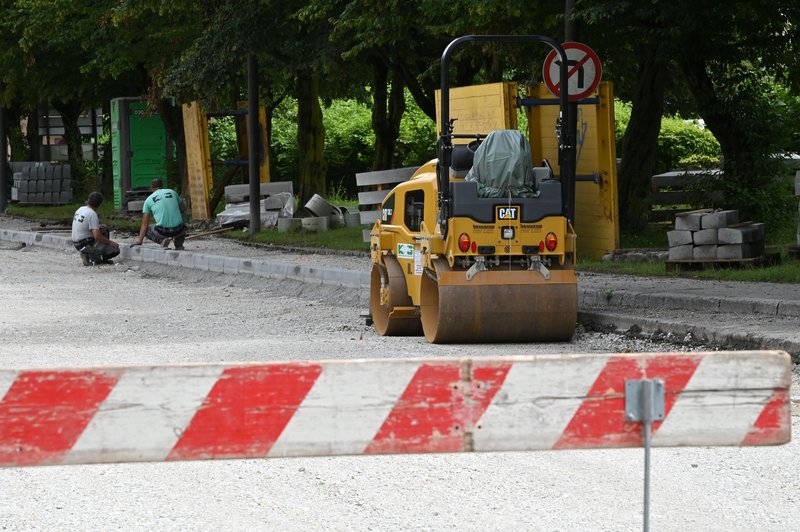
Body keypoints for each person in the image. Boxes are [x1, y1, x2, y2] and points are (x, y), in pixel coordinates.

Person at [133, 178, 187, 250]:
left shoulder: (148, 200)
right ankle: (179, 244)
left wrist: (139, 241)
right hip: (179, 230)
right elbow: (183, 208)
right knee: (183, 215)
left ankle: (162, 241)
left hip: (163, 232)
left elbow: (144, 224)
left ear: (151, 188)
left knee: (147, 229)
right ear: (162, 186)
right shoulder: (173, 192)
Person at [71, 192, 120, 266]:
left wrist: (98, 226)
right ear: (99, 204)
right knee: (114, 249)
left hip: (76, 244)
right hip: (85, 243)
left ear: (88, 200)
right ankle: (96, 258)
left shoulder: (80, 209)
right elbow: (97, 236)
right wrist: (110, 242)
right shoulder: (92, 214)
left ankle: (88, 254)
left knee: (102, 228)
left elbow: (83, 224)